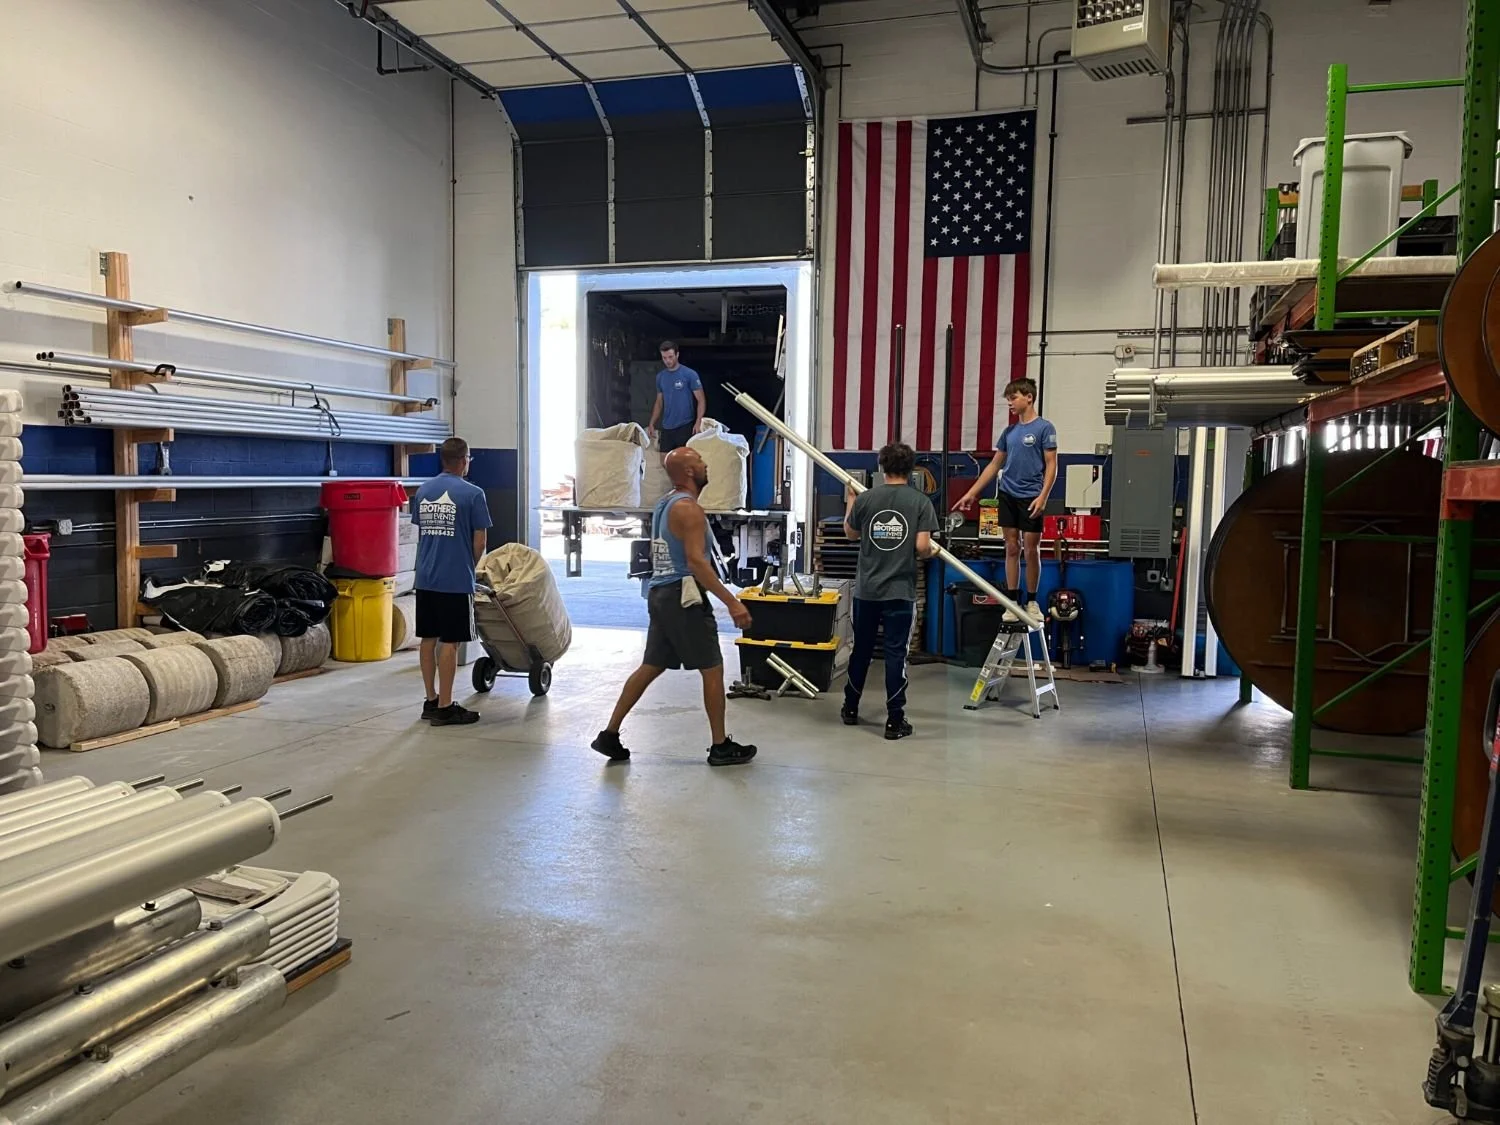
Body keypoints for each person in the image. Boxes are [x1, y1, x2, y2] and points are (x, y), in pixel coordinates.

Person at [591, 447, 758, 767]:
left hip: (660, 593)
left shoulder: (665, 503)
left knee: (651, 665)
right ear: (691, 472)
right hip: (684, 597)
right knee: (712, 667)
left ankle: (609, 735)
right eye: (700, 460)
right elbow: (696, 562)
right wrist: (732, 602)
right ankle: (720, 745)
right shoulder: (689, 510)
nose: (705, 462)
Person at [842, 442, 941, 741]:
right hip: (900, 591)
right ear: (911, 469)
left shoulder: (866, 499)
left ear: (881, 467)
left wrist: (850, 500)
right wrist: (930, 554)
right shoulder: (920, 502)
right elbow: (923, 547)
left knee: (861, 649)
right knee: (896, 654)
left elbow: (850, 533)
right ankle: (894, 721)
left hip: (867, 591)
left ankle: (850, 708)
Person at [953, 378, 1058, 623]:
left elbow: (1052, 464)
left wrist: (1043, 496)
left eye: (1014, 397)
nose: (1010, 403)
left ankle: (1031, 601)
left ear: (1028, 397)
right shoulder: (1009, 433)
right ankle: (1012, 601)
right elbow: (994, 465)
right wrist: (972, 492)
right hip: (1008, 495)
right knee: (1012, 547)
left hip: (1032, 496)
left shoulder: (1045, 428)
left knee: (1031, 550)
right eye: (1008, 399)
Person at [410, 437, 492, 726]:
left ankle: (430, 700)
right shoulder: (473, 494)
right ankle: (446, 706)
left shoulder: (423, 491)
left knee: (428, 639)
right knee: (450, 642)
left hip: (426, 576)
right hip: (454, 579)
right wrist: (468, 565)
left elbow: (424, 534)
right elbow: (480, 539)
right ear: (463, 460)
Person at [647, 341, 705, 454]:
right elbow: (659, 402)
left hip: (685, 425)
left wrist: (698, 421)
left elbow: (701, 400)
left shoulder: (690, 374)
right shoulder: (660, 377)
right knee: (664, 461)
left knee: (683, 461)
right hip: (667, 425)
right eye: (664, 358)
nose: (668, 361)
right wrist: (652, 423)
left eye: (670, 357)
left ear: (677, 355)